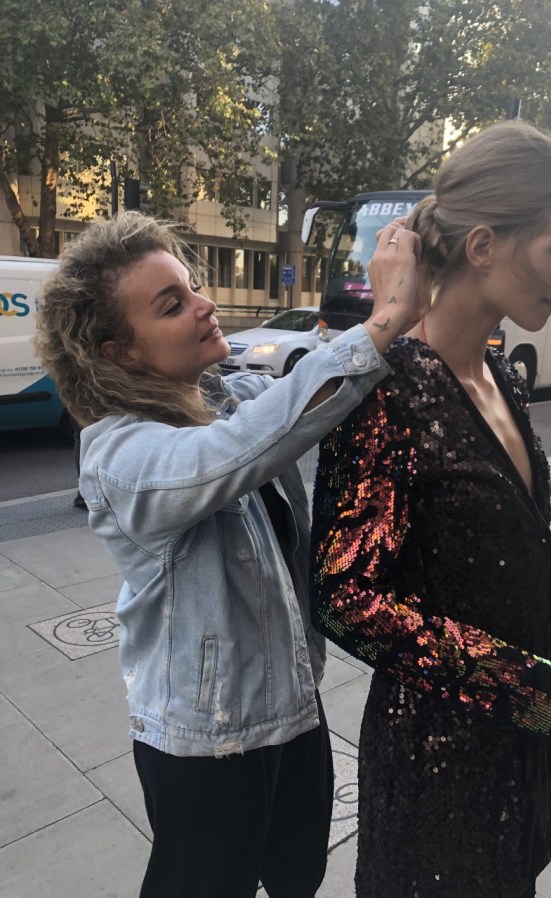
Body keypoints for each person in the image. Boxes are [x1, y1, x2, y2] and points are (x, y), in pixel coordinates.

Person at [34, 210, 423, 898]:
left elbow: (302, 397)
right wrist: (386, 316)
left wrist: (408, 296)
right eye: (171, 305)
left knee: (299, 873)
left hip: (294, 705)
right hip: (205, 741)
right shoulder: (118, 455)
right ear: (118, 352)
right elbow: (241, 450)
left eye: (192, 286)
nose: (204, 304)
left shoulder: (226, 397)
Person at [310, 120, 551, 898]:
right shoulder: (389, 391)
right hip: (433, 774)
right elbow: (343, 595)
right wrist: (522, 683)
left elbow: (516, 558)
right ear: (483, 246)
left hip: (513, 756)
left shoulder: (505, 378)